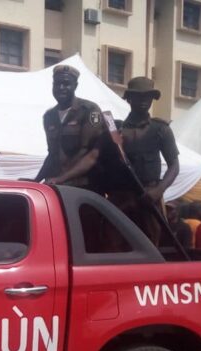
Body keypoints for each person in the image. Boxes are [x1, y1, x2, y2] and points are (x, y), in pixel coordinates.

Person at [104, 77, 181, 246]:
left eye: (148, 96)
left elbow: (174, 166)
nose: (144, 100)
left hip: (148, 198)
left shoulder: (160, 129)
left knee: (150, 247)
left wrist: (158, 190)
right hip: (121, 199)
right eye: (139, 96)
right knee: (115, 247)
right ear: (129, 98)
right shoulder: (115, 130)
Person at [33, 65, 104, 190]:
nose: (61, 88)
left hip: (83, 186)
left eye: (66, 84)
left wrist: (62, 178)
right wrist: (36, 180)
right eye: (57, 84)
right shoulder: (49, 116)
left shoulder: (90, 110)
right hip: (58, 185)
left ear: (75, 86)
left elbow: (91, 154)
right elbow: (52, 154)